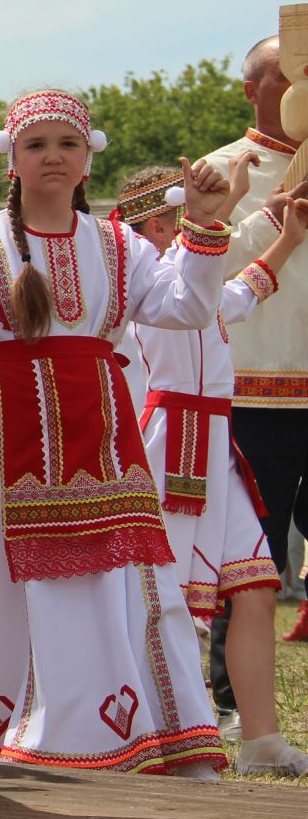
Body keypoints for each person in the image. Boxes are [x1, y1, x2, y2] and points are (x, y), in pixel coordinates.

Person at [0, 91, 236, 776]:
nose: (53, 155)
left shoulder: (118, 241)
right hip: (2, 431)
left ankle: (128, 727)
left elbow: (187, 306)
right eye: (37, 144)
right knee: (0, 575)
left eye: (67, 145)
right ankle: (9, 726)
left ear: (87, 164)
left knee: (120, 574)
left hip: (102, 431)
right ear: (12, 161)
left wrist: (201, 226)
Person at [115, 161, 308, 776]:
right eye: (169, 218)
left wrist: (288, 237)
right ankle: (161, 734)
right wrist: (226, 212)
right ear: (144, 223)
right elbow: (200, 275)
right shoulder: (144, 280)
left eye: (182, 218)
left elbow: (242, 290)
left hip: (215, 442)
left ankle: (259, 739)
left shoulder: (192, 281)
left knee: (254, 586)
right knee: (164, 596)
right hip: (169, 444)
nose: (179, 229)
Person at [198, 36, 308, 691]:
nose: (300, 89)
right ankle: (231, 694)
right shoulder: (218, 172)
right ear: (251, 90)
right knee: (248, 553)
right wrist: (272, 219)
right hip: (254, 394)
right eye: (285, 75)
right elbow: (202, 277)